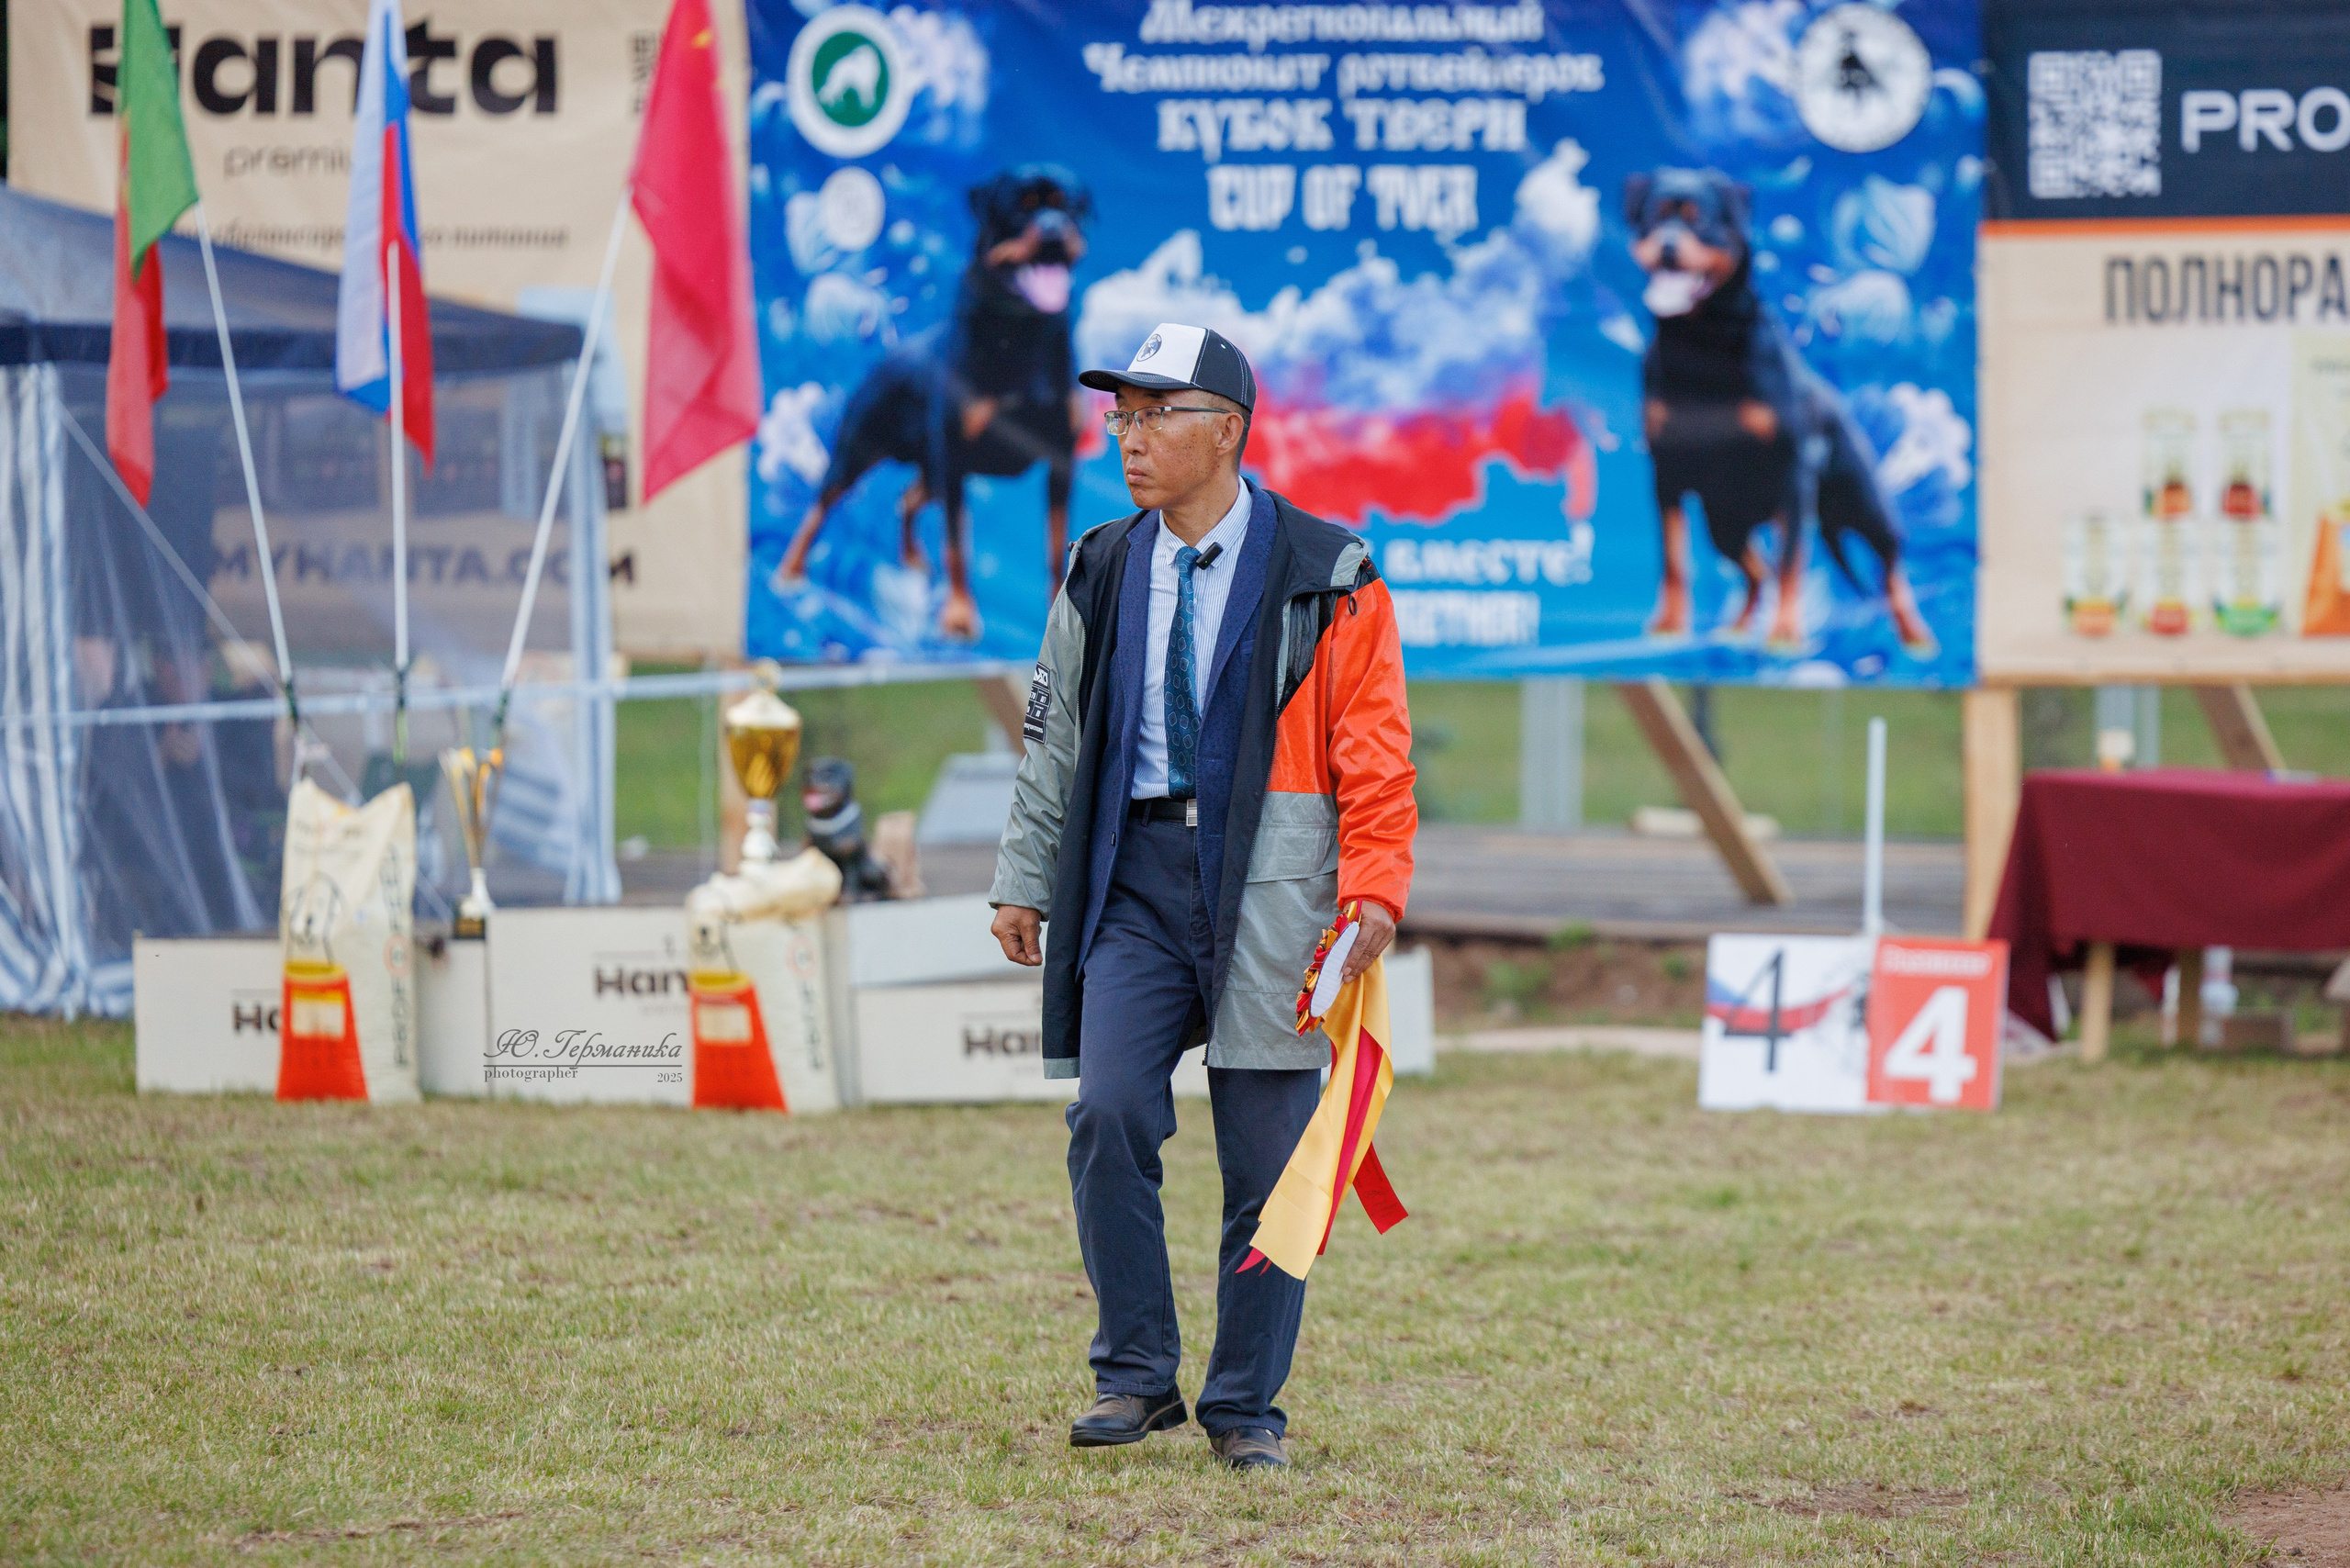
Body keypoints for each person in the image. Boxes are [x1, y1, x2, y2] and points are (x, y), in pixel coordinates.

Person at [987, 323, 1416, 1470]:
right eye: (1119, 415)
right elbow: (1053, 739)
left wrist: (1372, 894)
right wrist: (1025, 878)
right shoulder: (1099, 562)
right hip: (1132, 882)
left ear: (1225, 430)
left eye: (1153, 413)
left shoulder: (1333, 573)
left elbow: (1376, 757)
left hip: (1278, 898)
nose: (1126, 437)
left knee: (1267, 1165)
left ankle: (1243, 1408)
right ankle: (1134, 1375)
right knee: (1109, 1113)